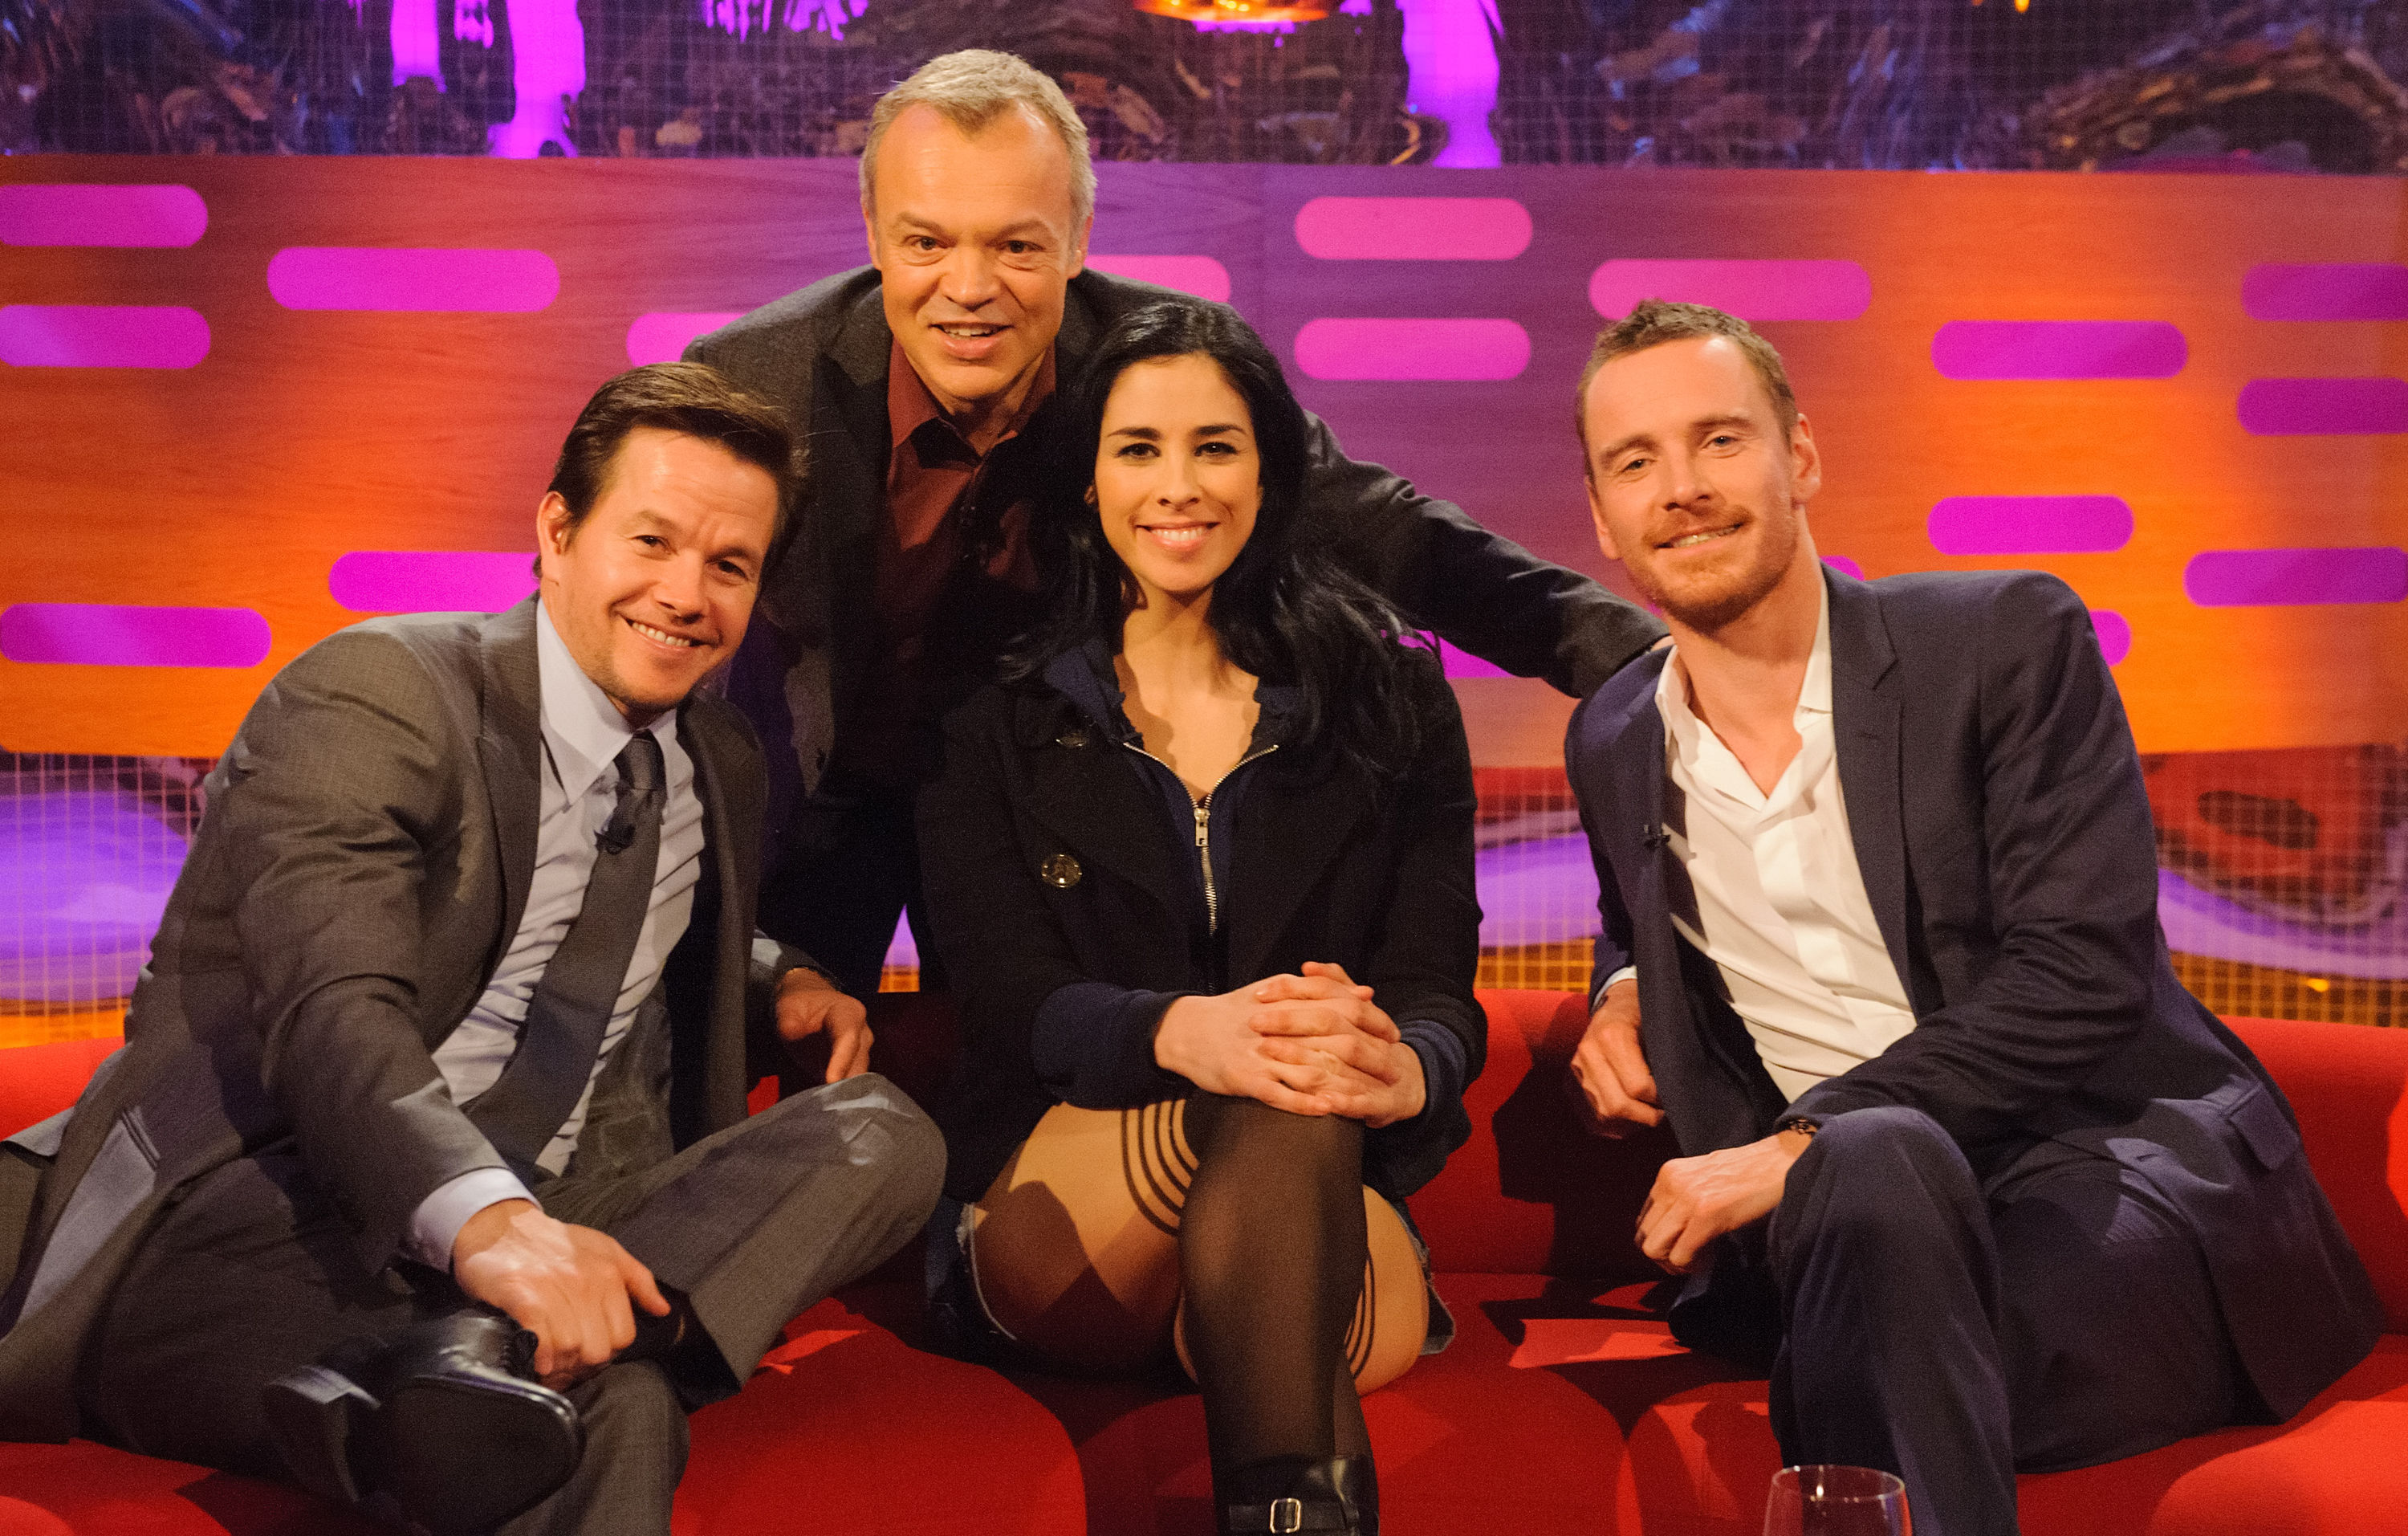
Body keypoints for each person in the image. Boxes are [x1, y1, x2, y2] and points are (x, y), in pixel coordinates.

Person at [0, 364, 945, 1536]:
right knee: (618, 1404)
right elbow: (333, 1008)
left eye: (729, 566)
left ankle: (467, 1361)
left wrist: (776, 976)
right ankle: (483, 1359)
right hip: (286, 1202)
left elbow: (637, 907)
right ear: (557, 529)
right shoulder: (379, 694)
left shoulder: (718, 760)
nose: (686, 594)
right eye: (650, 540)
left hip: (568, 1196)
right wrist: (491, 1229)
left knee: (888, 1134)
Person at [1561, 300, 2382, 1536]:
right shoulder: (1614, 736)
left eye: (1720, 441)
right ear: (1601, 516)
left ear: (1803, 458)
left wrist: (1798, 1145)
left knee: (1869, 1209)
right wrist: (1618, 987)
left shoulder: (2003, 642)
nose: (1681, 488)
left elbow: (2083, 972)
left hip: (2097, 1192)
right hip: (1847, 1236)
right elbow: (1641, 914)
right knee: (1875, 1192)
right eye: (1637, 462)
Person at [686, 47, 1665, 999]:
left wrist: (1646, 660)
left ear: (1077, 239)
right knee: (743, 1082)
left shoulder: (1157, 371)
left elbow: (1386, 531)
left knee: (1023, 1092)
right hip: (820, 802)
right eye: (927, 241)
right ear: (873, 235)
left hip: (1048, 809)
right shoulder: (750, 380)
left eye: (1016, 244)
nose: (970, 285)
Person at [915, 298, 1485, 1536]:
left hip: (1321, 1184)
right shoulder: (992, 714)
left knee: (1284, 1095)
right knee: (1271, 1080)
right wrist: (1192, 1036)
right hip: (1066, 1187)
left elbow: (1439, 987)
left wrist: (1410, 1073)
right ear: (1087, 481)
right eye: (1139, 449)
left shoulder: (1391, 695)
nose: (1180, 486)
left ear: (1271, 469)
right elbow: (1013, 1002)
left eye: (1215, 447)